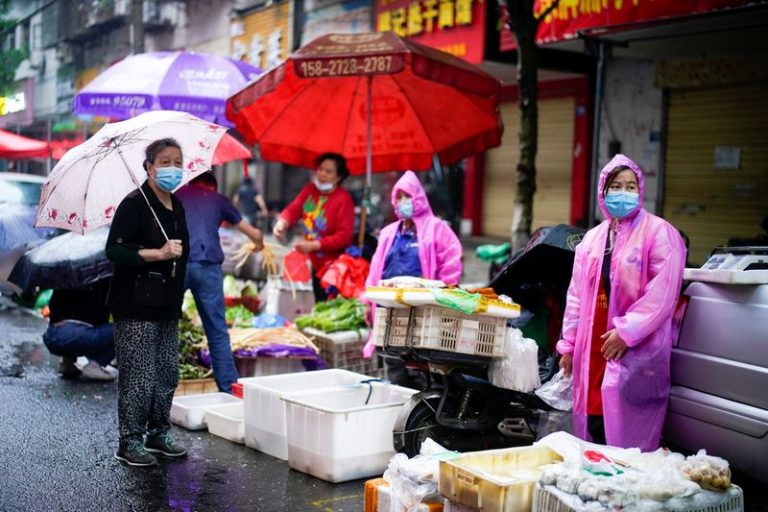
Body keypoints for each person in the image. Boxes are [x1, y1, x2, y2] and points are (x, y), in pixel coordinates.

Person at [557, 154, 686, 451]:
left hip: (635, 347)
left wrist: (627, 333)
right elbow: (576, 294)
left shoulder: (659, 233)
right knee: (592, 421)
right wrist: (569, 344)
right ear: (603, 190)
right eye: (616, 185)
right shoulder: (591, 240)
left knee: (627, 429)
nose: (623, 193)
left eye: (630, 186)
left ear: (640, 191)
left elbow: (662, 294)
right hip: (593, 345)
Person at [106, 138, 190, 467]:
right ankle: (129, 441)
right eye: (165, 161)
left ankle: (158, 433)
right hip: (135, 305)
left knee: (167, 373)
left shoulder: (177, 205)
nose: (172, 167)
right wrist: (158, 253)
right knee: (139, 377)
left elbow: (183, 254)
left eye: (177, 161)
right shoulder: (134, 204)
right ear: (149, 167)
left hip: (167, 304)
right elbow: (115, 250)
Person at [364, 170, 463, 387]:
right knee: (392, 359)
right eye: (398, 197)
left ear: (418, 197)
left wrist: (442, 293)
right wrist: (367, 301)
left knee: (420, 361)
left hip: (421, 308)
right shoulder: (389, 231)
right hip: (388, 307)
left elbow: (451, 262)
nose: (402, 202)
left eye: (407, 196)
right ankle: (398, 403)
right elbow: (376, 268)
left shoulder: (436, 228)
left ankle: (422, 406)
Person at [176, 172, 264, 393]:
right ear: (212, 187)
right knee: (216, 330)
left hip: (177, 264)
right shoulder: (219, 199)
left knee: (166, 324)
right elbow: (252, 232)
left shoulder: (176, 194)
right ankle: (228, 387)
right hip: (208, 267)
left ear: (191, 182)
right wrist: (259, 243)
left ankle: (161, 383)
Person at [272, 152, 354, 302]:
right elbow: (294, 208)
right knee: (318, 303)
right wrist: (283, 221)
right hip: (315, 265)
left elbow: (344, 236)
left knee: (328, 308)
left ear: (338, 177)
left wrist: (315, 245)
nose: (322, 173)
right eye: (320, 169)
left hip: (334, 269)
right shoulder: (310, 191)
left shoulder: (343, 200)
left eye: (328, 171)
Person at [42, 279, 116, 381]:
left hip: (51, 337)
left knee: (72, 327)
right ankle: (95, 365)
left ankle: (67, 363)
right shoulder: (101, 280)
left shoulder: (64, 276)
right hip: (77, 336)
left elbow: (53, 308)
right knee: (125, 329)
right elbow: (103, 316)